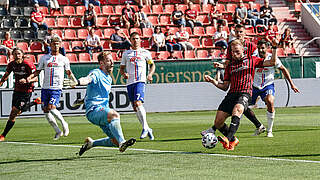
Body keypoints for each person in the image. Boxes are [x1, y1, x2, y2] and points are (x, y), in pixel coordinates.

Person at [201, 38, 278, 151]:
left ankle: (227, 138)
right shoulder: (229, 66)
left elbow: (272, 62)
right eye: (232, 52)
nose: (234, 54)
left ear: (243, 50)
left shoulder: (252, 60)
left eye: (237, 51)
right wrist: (213, 81)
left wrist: (275, 48)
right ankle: (233, 140)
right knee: (218, 122)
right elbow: (225, 87)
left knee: (237, 110)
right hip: (231, 94)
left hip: (245, 92)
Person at [63, 51, 136, 156]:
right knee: (114, 115)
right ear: (101, 63)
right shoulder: (96, 73)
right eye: (108, 60)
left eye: (112, 60)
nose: (112, 63)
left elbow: (96, 93)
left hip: (101, 111)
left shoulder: (109, 79)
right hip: (94, 111)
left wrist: (83, 100)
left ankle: (91, 143)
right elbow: (87, 79)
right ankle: (122, 143)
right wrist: (78, 82)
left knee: (114, 141)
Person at [248, 39, 300, 137]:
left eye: (263, 48)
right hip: (254, 86)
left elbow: (284, 69)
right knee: (243, 107)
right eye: (259, 48)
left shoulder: (273, 58)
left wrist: (292, 84)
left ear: (267, 48)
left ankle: (269, 131)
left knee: (270, 101)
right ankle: (259, 126)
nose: (261, 50)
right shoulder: (253, 58)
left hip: (267, 85)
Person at [26, 37, 73, 140]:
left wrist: (73, 81)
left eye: (57, 44)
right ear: (50, 45)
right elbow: (38, 71)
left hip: (56, 87)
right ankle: (57, 131)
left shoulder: (64, 59)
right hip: (45, 87)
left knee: (51, 107)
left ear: (60, 45)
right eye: (53, 44)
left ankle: (64, 123)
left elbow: (68, 72)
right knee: (46, 111)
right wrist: (30, 77)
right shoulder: (44, 58)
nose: (55, 46)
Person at [120, 32, 156, 140]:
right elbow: (121, 68)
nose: (136, 41)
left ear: (140, 40)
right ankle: (148, 128)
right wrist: (124, 74)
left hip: (140, 80)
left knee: (138, 102)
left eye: (137, 38)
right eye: (133, 39)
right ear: (130, 40)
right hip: (130, 82)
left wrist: (149, 74)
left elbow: (152, 64)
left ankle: (145, 127)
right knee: (135, 107)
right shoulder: (126, 54)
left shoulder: (145, 52)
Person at [0, 48, 40, 141]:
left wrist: (26, 80)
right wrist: (1, 82)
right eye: (15, 54)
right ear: (12, 55)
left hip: (26, 91)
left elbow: (36, 78)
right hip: (16, 91)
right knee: (16, 112)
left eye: (19, 54)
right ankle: (35, 102)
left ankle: (3, 135)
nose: (17, 56)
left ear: (22, 55)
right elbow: (6, 74)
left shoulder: (27, 64)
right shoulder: (11, 64)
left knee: (13, 112)